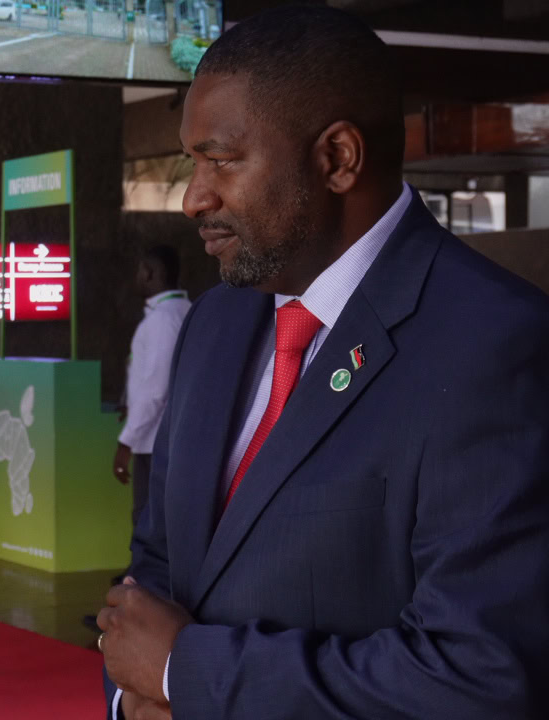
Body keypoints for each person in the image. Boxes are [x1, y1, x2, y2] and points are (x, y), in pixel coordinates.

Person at [96, 6, 549, 720]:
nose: (194, 197)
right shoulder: (215, 321)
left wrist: (191, 675)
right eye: (192, 161)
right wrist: (132, 694)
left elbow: (479, 677)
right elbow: (155, 569)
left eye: (223, 159)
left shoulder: (498, 346)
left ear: (337, 157)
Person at [114, 245, 190, 536]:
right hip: (167, 435)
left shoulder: (162, 321)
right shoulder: (181, 311)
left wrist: (126, 442)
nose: (136, 277)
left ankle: (143, 579)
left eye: (139, 269)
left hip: (154, 439)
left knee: (148, 516)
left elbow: (156, 389)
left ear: (150, 272)